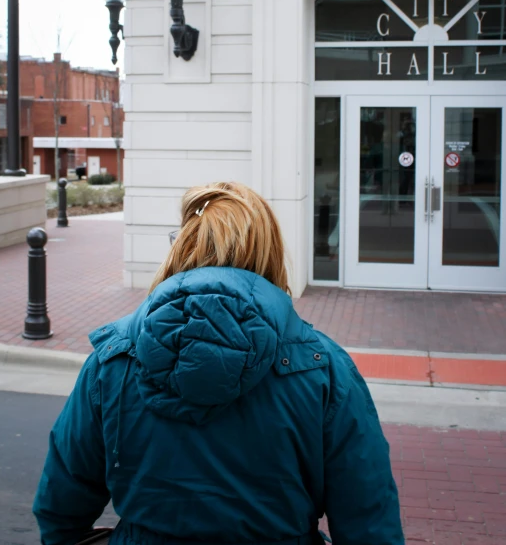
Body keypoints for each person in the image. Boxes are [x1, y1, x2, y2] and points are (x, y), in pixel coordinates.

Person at [33, 182, 404, 545]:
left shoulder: (112, 360)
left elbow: (61, 504)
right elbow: (369, 518)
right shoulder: (323, 368)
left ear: (181, 244)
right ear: (270, 251)